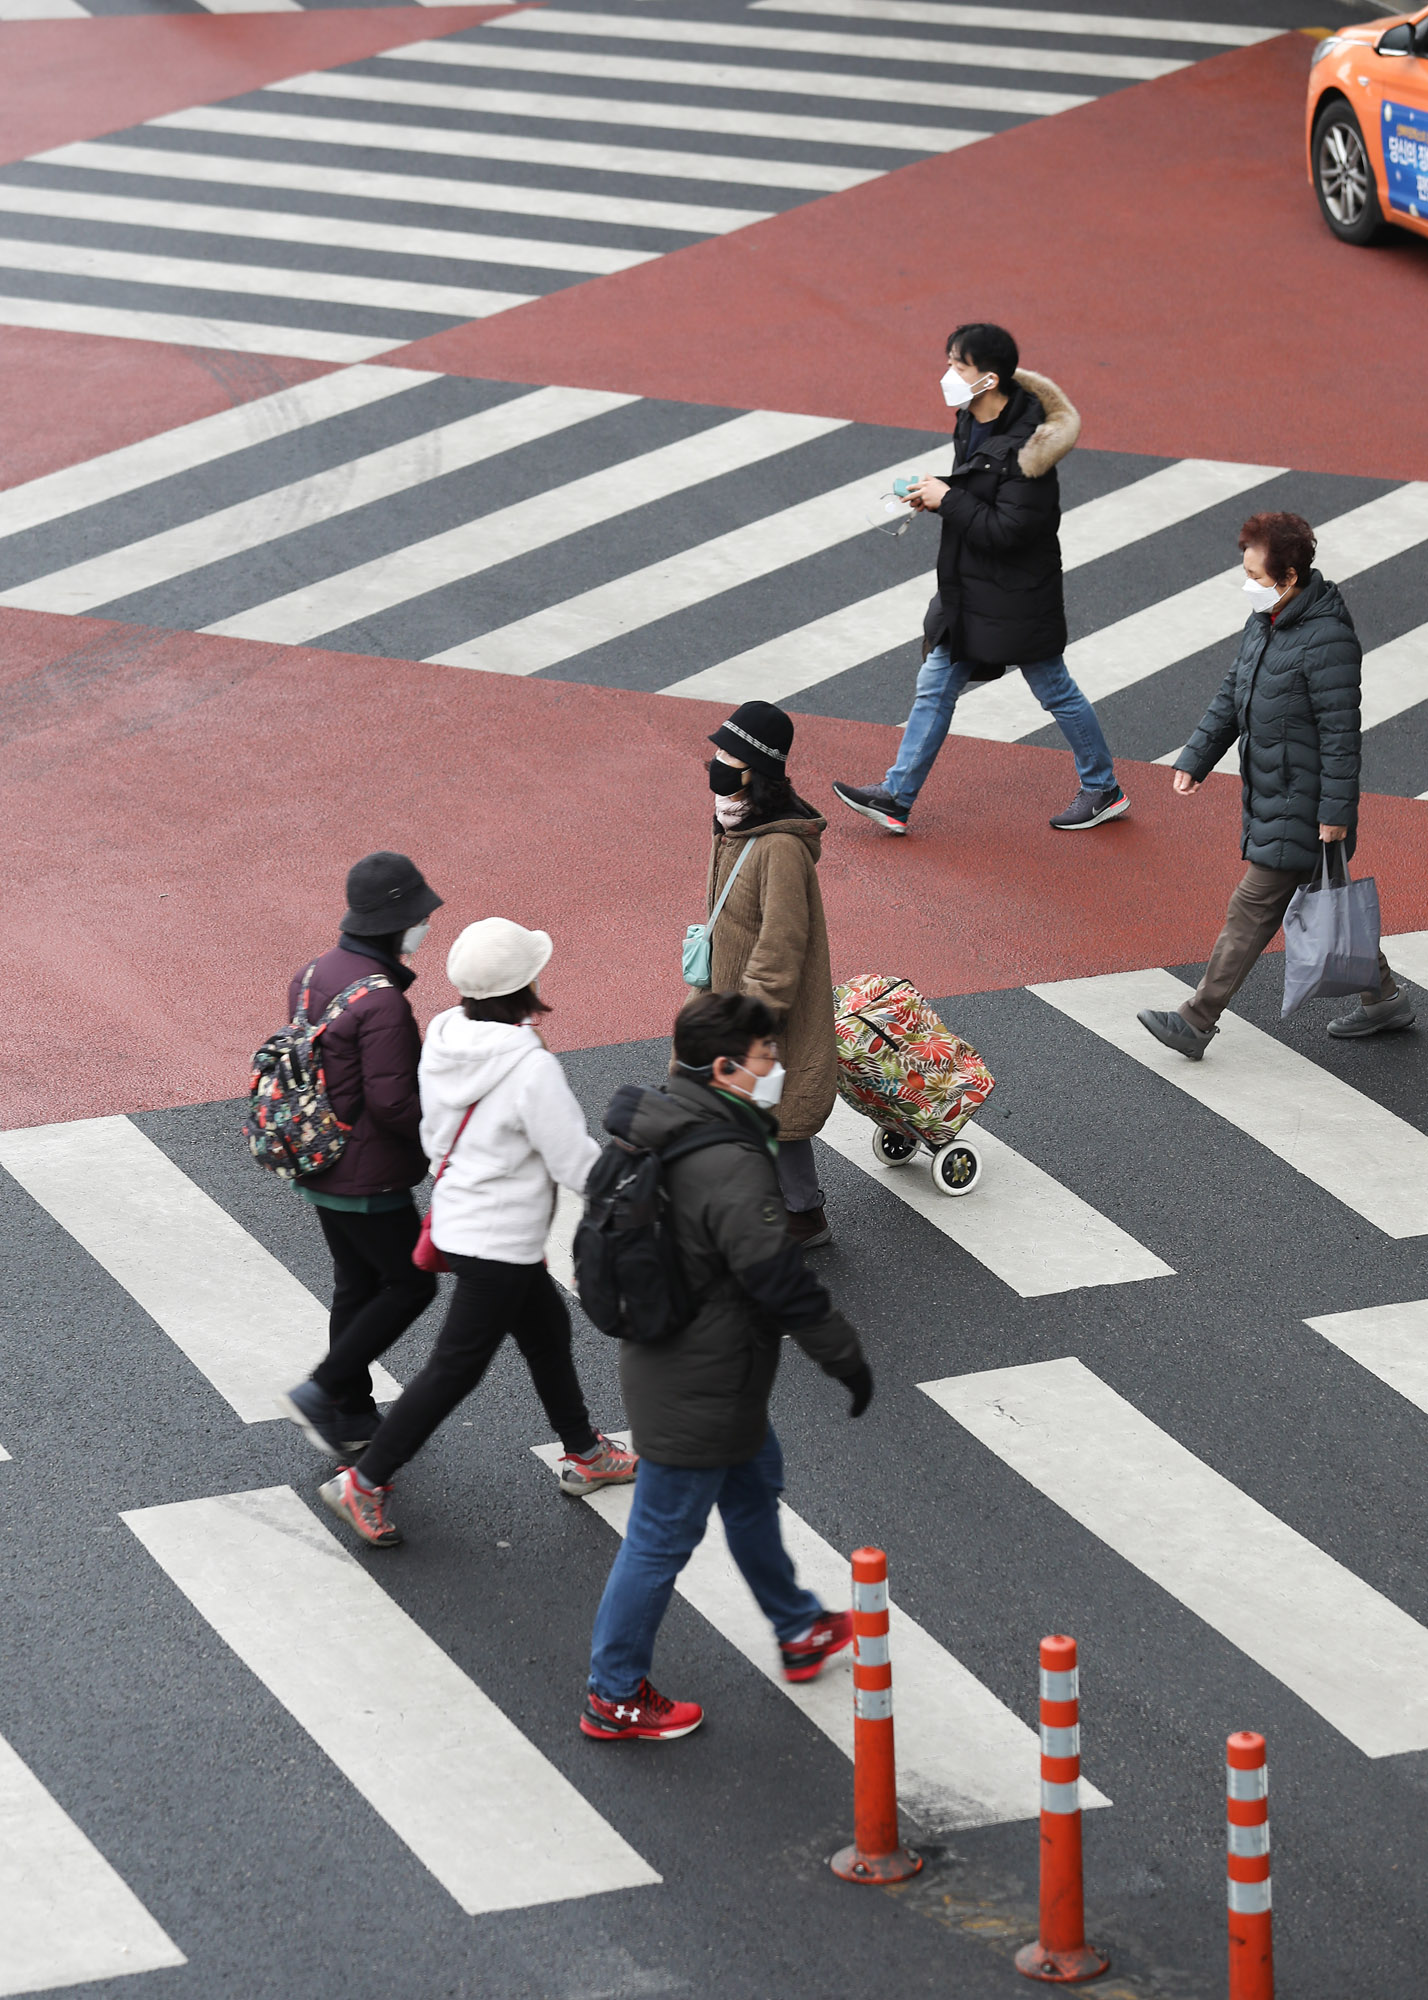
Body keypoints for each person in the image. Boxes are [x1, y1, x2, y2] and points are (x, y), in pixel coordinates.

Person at [580, 991, 873, 1743]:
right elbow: (776, 1277)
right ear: (725, 1068)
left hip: (698, 1370)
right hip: (701, 1388)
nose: (775, 1067)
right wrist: (843, 1355)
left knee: (750, 1496)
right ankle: (613, 1693)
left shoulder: (665, 1125)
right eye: (767, 1057)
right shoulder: (728, 1162)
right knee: (659, 1539)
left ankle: (799, 1626)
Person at [319, 917, 637, 1548]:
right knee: (454, 1369)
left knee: (547, 1332)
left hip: (464, 1219)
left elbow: (434, 1132)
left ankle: (583, 1450)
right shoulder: (530, 1069)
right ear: (525, 986)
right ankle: (367, 1478)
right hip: (500, 1240)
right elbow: (573, 1161)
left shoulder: (442, 1038)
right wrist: (639, 1193)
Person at [832, 321, 1128, 835]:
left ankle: (1102, 788)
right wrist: (937, 490)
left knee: (1053, 687)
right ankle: (897, 796)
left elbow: (1010, 529)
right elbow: (979, 488)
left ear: (988, 379)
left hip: (1015, 592)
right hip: (972, 587)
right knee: (935, 684)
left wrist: (949, 499)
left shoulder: (1031, 453)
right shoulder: (971, 418)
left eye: (957, 365)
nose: (947, 373)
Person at [1137, 510, 1414, 1058]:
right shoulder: (1265, 624)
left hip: (1304, 803)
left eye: (1258, 577)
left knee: (1252, 908)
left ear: (1289, 578)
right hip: (1276, 793)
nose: (1249, 586)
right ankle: (1384, 1000)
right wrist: (1197, 757)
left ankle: (1196, 1020)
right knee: (1330, 898)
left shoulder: (1327, 640)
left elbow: (1341, 735)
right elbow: (1231, 693)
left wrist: (1335, 813)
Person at [280, 851, 444, 1460]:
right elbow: (395, 1103)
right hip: (366, 1175)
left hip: (318, 1160)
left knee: (356, 1283)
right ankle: (323, 1389)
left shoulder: (311, 972)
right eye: (421, 914)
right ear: (396, 920)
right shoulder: (383, 1003)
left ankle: (350, 1410)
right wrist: (443, 1137)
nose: (426, 926)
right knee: (410, 1284)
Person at [703, 699, 838, 1248]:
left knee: (767, 1111)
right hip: (734, 999)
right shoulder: (735, 825)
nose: (715, 763)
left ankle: (798, 1214)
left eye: (727, 755)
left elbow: (781, 942)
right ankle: (787, 1208)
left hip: (763, 1009)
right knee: (758, 1109)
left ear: (754, 770)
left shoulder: (779, 847)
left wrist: (750, 1014)